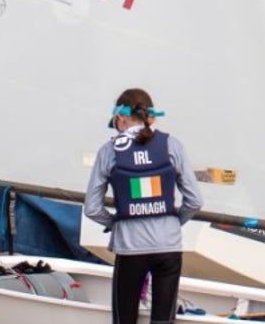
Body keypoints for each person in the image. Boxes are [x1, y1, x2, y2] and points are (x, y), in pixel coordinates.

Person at [84, 88, 203, 324]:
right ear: (152, 117)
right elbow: (195, 201)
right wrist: (172, 221)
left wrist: (116, 223)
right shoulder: (173, 146)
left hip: (130, 248)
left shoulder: (109, 151)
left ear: (120, 118)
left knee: (124, 320)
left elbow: (92, 208)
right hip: (168, 247)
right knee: (163, 321)